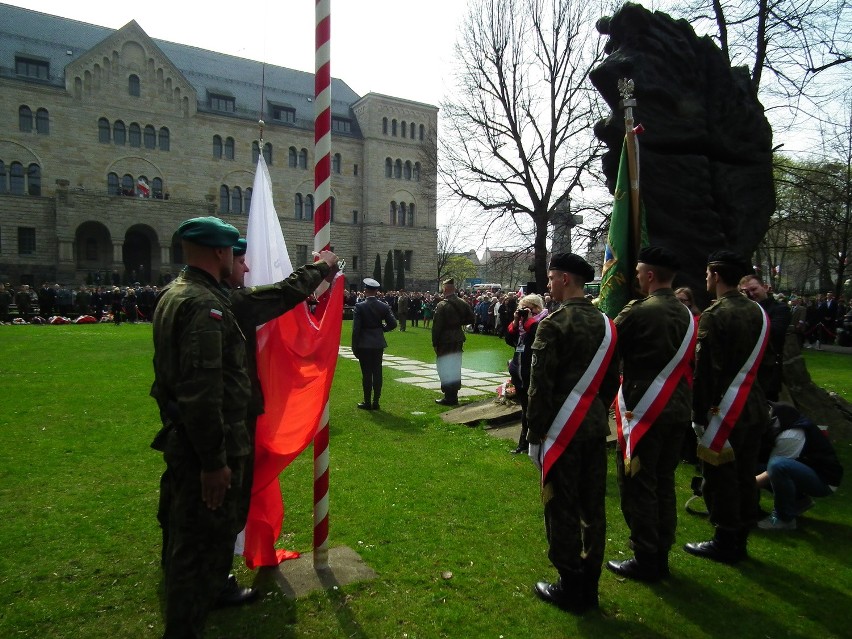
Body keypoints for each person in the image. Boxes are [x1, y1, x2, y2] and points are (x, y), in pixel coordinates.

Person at [149, 216, 252, 638]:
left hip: (184, 438)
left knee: (192, 540)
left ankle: (211, 597)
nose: (236, 260)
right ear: (220, 253)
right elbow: (202, 388)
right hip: (203, 449)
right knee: (197, 549)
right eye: (233, 252)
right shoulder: (203, 306)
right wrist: (214, 460)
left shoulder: (175, 294)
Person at [220, 237, 337, 600]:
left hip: (206, 425)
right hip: (221, 426)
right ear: (219, 255)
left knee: (204, 510)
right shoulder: (220, 301)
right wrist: (322, 267)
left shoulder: (189, 297)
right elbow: (280, 295)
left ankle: (202, 578)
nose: (248, 268)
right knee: (217, 510)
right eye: (240, 261)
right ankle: (210, 587)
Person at [527, 254, 619, 614]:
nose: (548, 285)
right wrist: (595, 411)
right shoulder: (608, 324)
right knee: (592, 506)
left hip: (560, 431)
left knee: (561, 505)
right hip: (594, 428)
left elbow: (540, 388)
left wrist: (535, 436)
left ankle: (570, 582)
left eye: (551, 279)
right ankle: (590, 580)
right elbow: (611, 380)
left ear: (565, 279)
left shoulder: (554, 324)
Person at [605, 246, 695, 582]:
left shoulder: (640, 311)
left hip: (644, 409)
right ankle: (661, 549)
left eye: (640, 271)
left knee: (638, 484)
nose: (637, 276)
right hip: (676, 409)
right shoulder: (685, 312)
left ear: (651, 275)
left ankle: (646, 557)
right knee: (664, 482)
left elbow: (609, 342)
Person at [684, 251, 770, 564]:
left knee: (720, 476)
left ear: (716, 276)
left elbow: (706, 369)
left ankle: (725, 539)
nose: (706, 278)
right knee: (746, 474)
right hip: (753, 406)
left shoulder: (716, 314)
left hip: (724, 410)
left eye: (708, 273)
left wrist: (697, 413)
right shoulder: (757, 311)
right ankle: (741, 537)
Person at [756, 402, 843, 530]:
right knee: (758, 467)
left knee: (778, 466)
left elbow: (771, 472)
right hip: (803, 468)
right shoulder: (774, 416)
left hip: (824, 480)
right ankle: (799, 501)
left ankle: (783, 519)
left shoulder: (789, 434)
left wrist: (745, 485)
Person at [504, 293, 548, 454]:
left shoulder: (543, 321)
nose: (524, 311)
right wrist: (516, 321)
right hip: (520, 372)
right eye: (522, 308)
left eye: (528, 308)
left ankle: (533, 444)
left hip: (533, 372)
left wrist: (529, 320)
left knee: (533, 410)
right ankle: (523, 444)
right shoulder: (523, 325)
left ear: (537, 308)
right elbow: (509, 339)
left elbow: (536, 336)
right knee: (525, 410)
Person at [739, 273, 791, 401]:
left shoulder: (780, 309)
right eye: (745, 292)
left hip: (768, 373)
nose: (751, 294)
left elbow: (774, 332)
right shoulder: (741, 310)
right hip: (744, 372)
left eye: (754, 289)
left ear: (765, 287)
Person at [352, 278, 397, 409]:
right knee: (377, 372)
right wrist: (382, 328)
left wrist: (355, 346)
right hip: (378, 342)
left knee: (366, 374)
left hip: (364, 344)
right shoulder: (383, 306)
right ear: (377, 291)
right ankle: (376, 402)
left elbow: (356, 329)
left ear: (365, 291)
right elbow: (393, 323)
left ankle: (367, 402)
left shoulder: (360, 306)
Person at [431, 278, 476, 406]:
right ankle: (453, 395)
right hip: (458, 337)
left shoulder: (442, 305)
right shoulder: (462, 302)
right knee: (455, 366)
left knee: (444, 367)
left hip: (445, 339)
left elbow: (437, 326)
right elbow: (471, 318)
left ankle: (449, 396)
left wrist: (435, 342)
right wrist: (458, 323)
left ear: (445, 289)